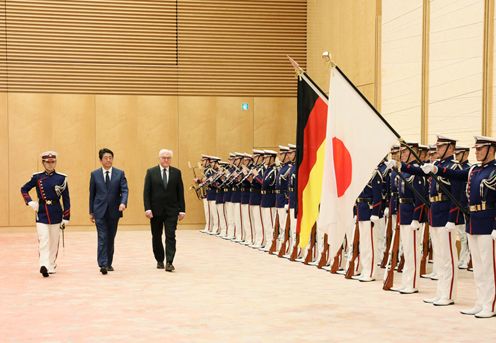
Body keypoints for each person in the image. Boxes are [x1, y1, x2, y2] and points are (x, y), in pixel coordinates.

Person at [421, 136, 496, 318]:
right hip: (473, 221)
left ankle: (491, 305)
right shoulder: (474, 170)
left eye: (480, 149)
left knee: (489, 267)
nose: (477, 152)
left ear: (491, 149)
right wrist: (436, 169)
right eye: (476, 149)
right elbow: (455, 174)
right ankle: (480, 302)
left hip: (488, 221)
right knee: (478, 267)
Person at [21, 151, 70, 277]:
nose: (50, 164)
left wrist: (66, 217)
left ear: (55, 162)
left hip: (56, 212)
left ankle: (52, 263)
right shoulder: (37, 177)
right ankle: (44, 265)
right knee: (44, 240)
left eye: (52, 162)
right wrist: (30, 202)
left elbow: (66, 199)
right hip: (42, 211)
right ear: (43, 163)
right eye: (47, 162)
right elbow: (24, 189)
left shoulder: (61, 178)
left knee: (54, 241)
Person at [144, 149, 185, 272]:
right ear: (159, 158)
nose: (166, 160)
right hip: (155, 211)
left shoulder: (176, 173)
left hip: (172, 211)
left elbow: (180, 192)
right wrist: (147, 208)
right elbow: (146, 193)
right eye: (164, 157)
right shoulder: (151, 172)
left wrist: (182, 210)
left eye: (168, 158)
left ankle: (169, 261)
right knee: (156, 236)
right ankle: (160, 260)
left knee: (170, 235)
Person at [89, 148, 128, 275]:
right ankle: (103, 264)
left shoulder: (119, 173)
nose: (108, 160)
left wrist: (123, 203)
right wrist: (91, 211)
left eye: (110, 157)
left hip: (114, 211)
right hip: (99, 210)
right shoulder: (94, 174)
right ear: (100, 160)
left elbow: (125, 190)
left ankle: (109, 263)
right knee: (102, 237)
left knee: (110, 237)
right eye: (105, 158)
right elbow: (92, 194)